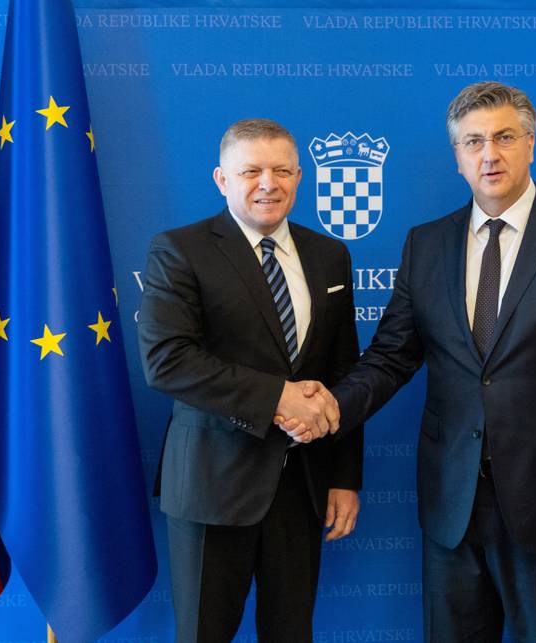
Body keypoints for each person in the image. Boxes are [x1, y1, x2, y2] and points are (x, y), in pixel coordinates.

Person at [288, 81, 536, 642]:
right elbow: (390, 358)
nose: (489, 154)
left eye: (504, 137)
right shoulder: (426, 244)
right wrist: (330, 405)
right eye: (473, 142)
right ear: (457, 157)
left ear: (530, 144)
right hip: (452, 506)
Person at [137, 118, 362, 643]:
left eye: (282, 170)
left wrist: (345, 477)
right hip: (212, 486)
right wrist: (278, 396)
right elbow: (167, 361)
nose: (269, 183)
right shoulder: (181, 249)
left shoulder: (330, 255)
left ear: (299, 177)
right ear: (221, 179)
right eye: (252, 170)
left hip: (302, 487)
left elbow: (343, 374)